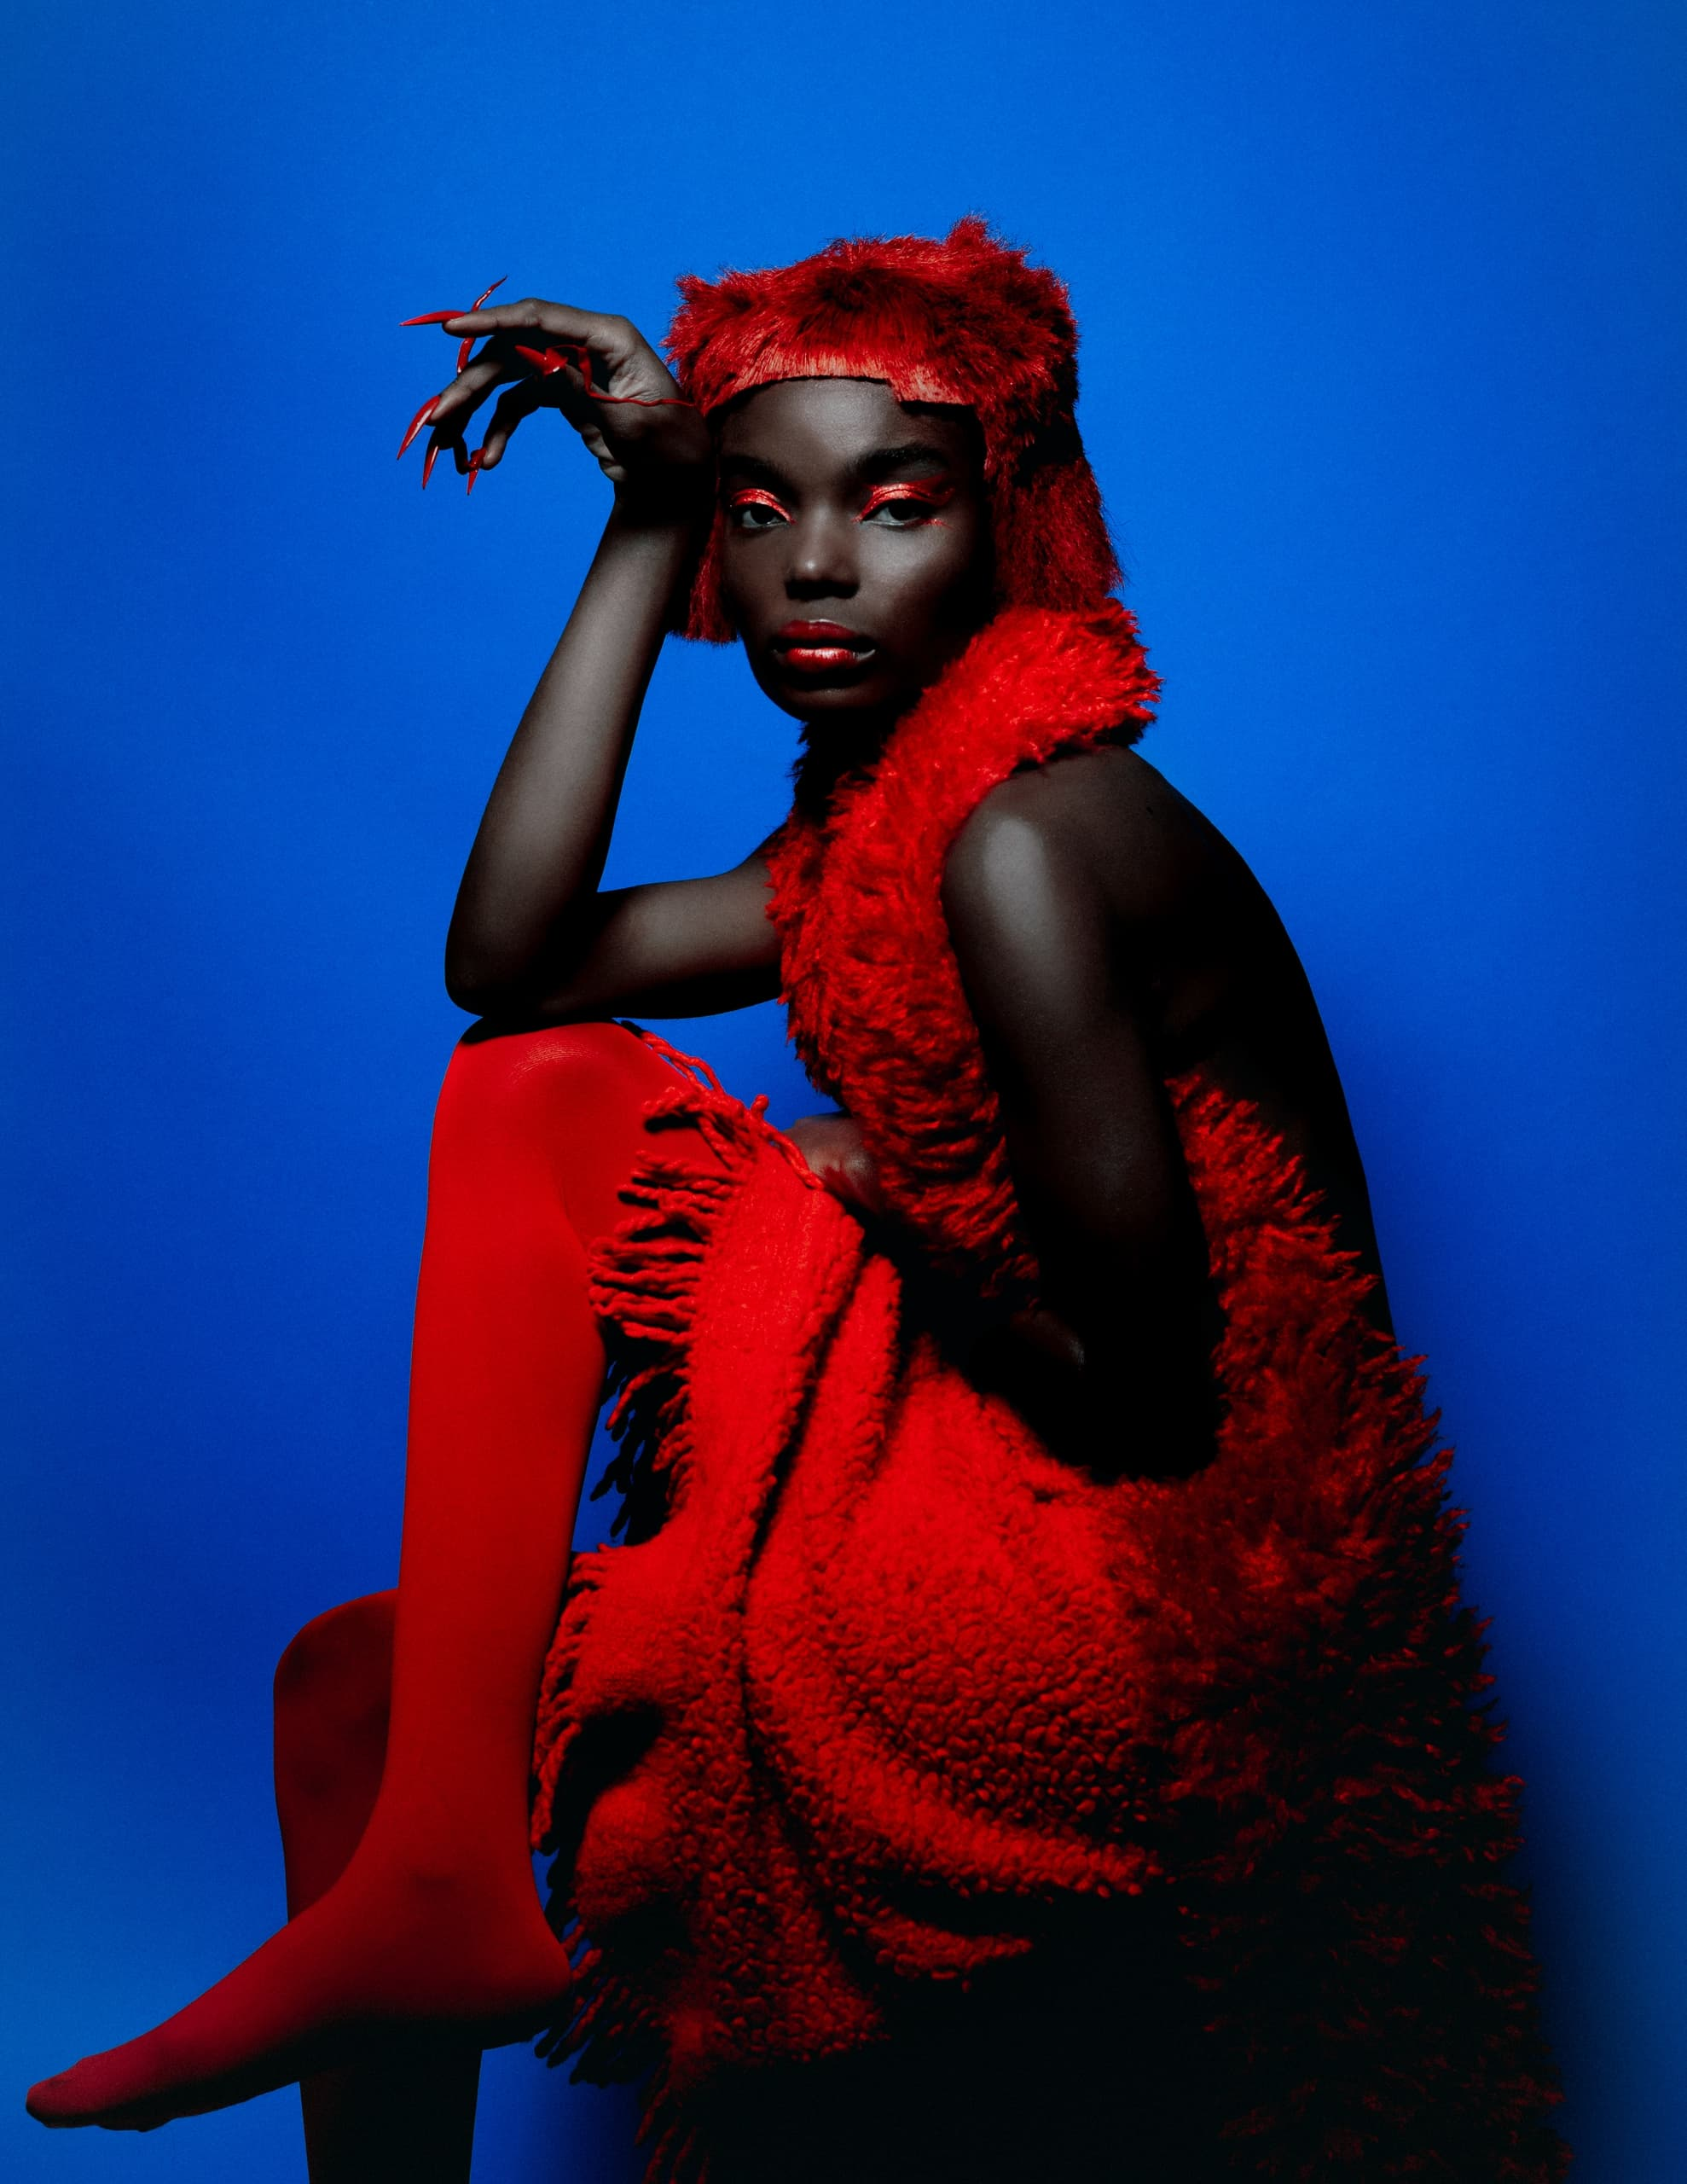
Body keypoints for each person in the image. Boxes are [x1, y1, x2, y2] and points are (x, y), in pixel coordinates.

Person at [26, 221, 1567, 2181]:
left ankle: (438, 1878)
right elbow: (509, 950)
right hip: (976, 1487)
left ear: (1001, 524)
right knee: (353, 1676)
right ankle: (430, 1881)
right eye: (755, 514)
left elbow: (1149, 1392)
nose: (812, 570)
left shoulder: (1027, 835)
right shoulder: (872, 832)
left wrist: (882, 1186)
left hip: (1142, 1588)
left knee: (552, 1099)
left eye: (894, 506)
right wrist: (631, 523)